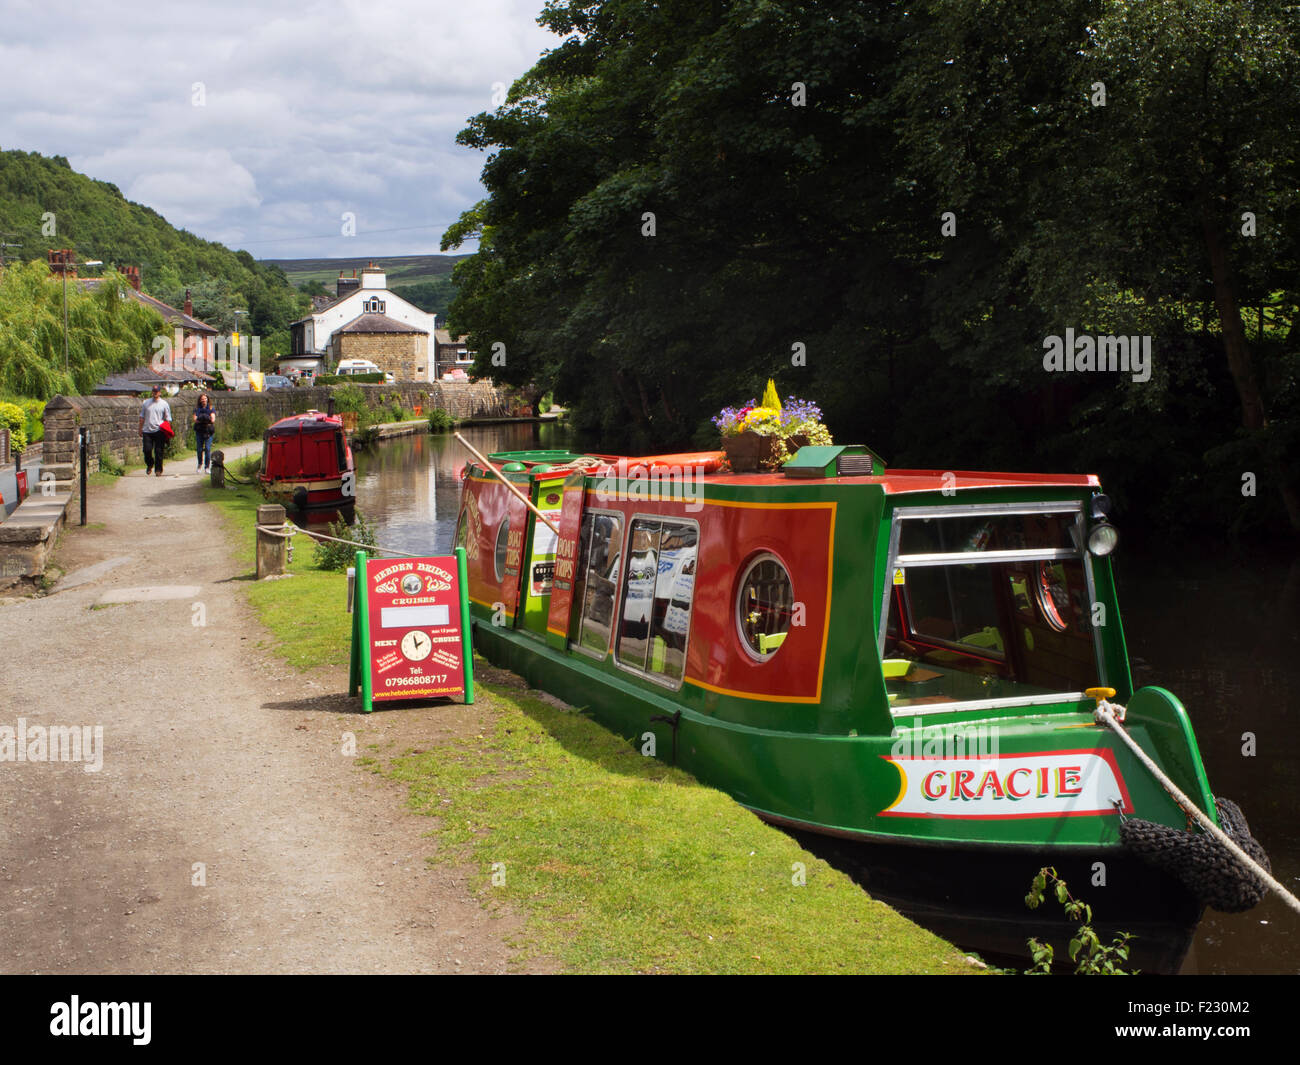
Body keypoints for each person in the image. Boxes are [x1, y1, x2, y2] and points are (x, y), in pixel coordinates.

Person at [138, 384, 172, 477]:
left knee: (159, 451)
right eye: (153, 391)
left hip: (159, 430)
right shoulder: (146, 403)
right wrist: (140, 429)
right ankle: (150, 464)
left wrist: (168, 432)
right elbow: (142, 417)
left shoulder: (164, 404)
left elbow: (167, 418)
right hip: (147, 430)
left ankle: (158, 470)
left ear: (160, 393)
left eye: (156, 391)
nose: (155, 393)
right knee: (147, 450)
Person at [192, 393, 216, 473]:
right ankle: (199, 464)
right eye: (202, 399)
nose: (203, 400)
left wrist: (204, 418)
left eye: (205, 398)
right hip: (199, 430)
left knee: (208, 448)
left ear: (207, 399)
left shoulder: (211, 408)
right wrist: (204, 418)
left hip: (208, 430)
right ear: (200, 400)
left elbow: (212, 420)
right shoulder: (196, 408)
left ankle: (207, 467)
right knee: (199, 449)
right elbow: (195, 419)